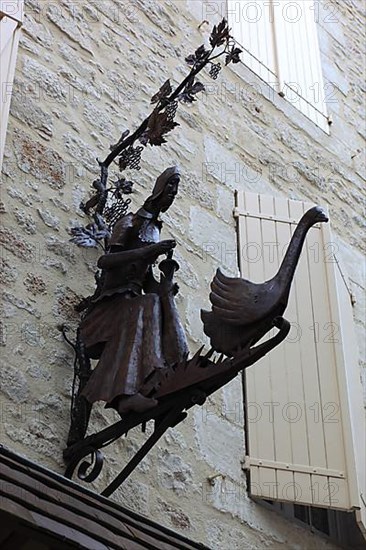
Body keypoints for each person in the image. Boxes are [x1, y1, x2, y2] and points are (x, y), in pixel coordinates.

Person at [79, 167, 188, 415]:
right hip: (108, 307)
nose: (172, 194)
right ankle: (125, 396)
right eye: (170, 187)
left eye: (176, 190)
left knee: (155, 304)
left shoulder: (155, 229)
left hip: (132, 306)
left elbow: (146, 278)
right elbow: (105, 262)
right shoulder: (129, 221)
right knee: (147, 304)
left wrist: (165, 288)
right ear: (158, 189)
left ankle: (155, 382)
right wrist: (147, 252)